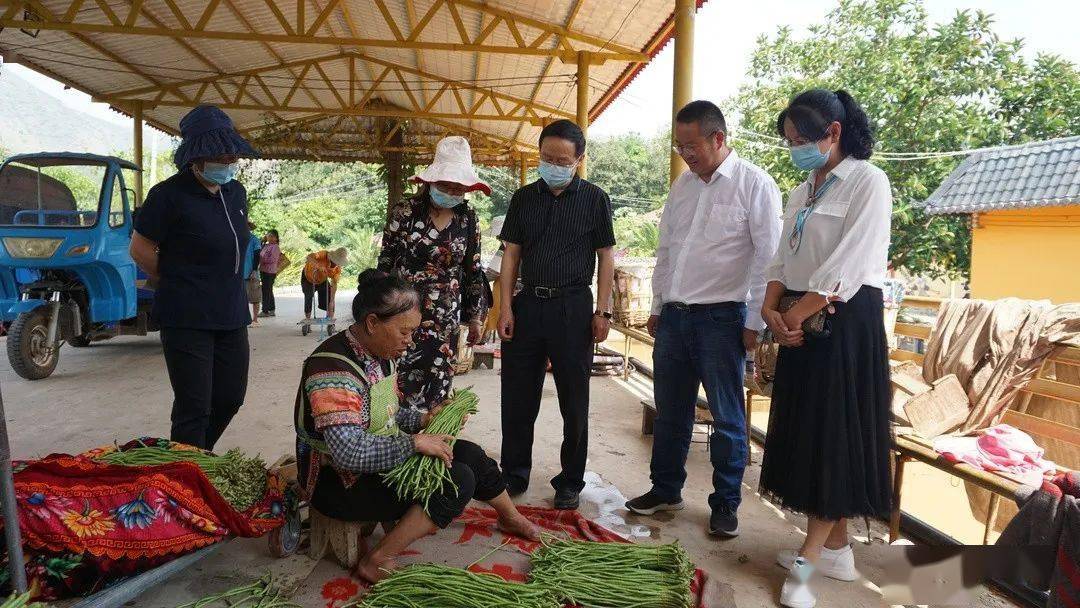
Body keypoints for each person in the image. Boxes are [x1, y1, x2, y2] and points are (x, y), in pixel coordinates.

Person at [294, 269, 540, 582]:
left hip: (374, 463)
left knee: (468, 454)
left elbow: (387, 413)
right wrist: (413, 443)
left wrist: (425, 419)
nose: (409, 342)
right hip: (338, 483)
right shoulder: (332, 370)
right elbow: (348, 453)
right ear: (372, 323)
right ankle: (378, 559)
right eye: (404, 332)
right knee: (456, 480)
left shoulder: (379, 353)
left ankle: (510, 517)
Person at [757, 89, 893, 608]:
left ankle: (810, 565)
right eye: (789, 141)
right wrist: (773, 307)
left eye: (802, 140)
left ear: (834, 133)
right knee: (804, 432)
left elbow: (850, 265)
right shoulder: (804, 188)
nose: (795, 149)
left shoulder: (867, 182)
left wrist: (792, 314)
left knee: (833, 436)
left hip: (842, 321)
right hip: (799, 319)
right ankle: (835, 550)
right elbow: (782, 254)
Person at [625, 101, 782, 538]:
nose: (686, 155)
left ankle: (725, 503)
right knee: (671, 412)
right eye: (679, 147)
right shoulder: (683, 187)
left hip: (723, 319)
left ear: (718, 138)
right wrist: (657, 306)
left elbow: (767, 260)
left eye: (692, 145)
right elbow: (667, 251)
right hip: (675, 318)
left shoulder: (755, 185)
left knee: (728, 418)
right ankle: (665, 490)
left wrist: (753, 321)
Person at [497, 119, 616, 510]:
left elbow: (605, 257)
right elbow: (511, 254)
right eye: (546, 157)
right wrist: (506, 307)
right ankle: (513, 473)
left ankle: (570, 480)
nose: (553, 165)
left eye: (562, 159)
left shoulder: (595, 199)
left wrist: (603, 311)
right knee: (517, 395)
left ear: (578, 160)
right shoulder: (523, 198)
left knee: (574, 397)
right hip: (529, 303)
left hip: (573, 308)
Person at [129, 104, 257, 450]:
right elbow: (140, 249)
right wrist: (175, 279)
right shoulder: (167, 196)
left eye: (231, 153)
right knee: (194, 406)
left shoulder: (236, 193)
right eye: (219, 154)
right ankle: (186, 477)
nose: (227, 160)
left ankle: (197, 456)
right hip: (187, 315)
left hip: (231, 313)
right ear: (196, 156)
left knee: (231, 397)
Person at [378, 136, 490, 409]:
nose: (451, 192)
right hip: (403, 313)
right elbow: (385, 263)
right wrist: (378, 312)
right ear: (430, 182)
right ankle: (397, 443)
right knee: (397, 383)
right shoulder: (405, 212)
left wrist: (475, 318)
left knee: (438, 386)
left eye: (457, 188)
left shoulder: (468, 218)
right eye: (445, 185)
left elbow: (473, 271)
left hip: (445, 318)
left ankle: (430, 443)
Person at [303, 247, 348, 321]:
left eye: (338, 262)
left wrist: (332, 300)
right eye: (335, 261)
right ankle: (307, 320)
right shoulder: (323, 254)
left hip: (322, 279)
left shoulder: (337, 269)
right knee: (308, 297)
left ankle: (330, 321)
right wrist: (318, 265)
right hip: (308, 277)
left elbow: (334, 283)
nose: (335, 264)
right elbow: (309, 257)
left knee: (329, 297)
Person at [259, 229, 287, 317]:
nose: (269, 238)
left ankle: (265, 310)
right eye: (268, 235)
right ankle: (271, 309)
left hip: (270, 272)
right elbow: (258, 250)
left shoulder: (275, 247)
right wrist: (262, 241)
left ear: (276, 238)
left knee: (266, 291)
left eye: (272, 236)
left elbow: (272, 260)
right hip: (263, 270)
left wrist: (262, 260)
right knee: (268, 290)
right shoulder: (266, 246)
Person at [243, 222, 262, 327]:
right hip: (240, 274)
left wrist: (254, 270)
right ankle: (245, 318)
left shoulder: (254, 239)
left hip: (251, 273)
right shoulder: (239, 239)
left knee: (255, 297)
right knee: (242, 298)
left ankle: (255, 319)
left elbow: (257, 255)